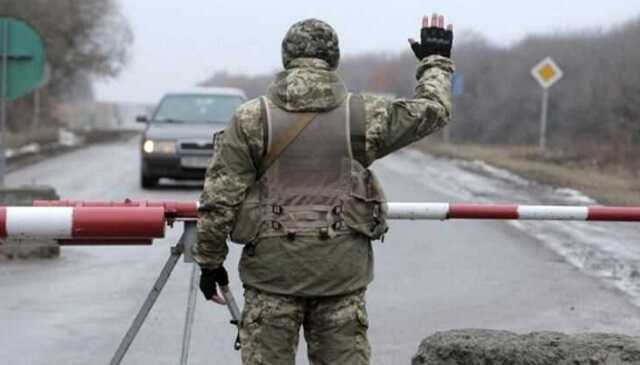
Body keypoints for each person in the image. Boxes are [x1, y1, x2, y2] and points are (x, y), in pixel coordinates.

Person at [195, 13, 455, 365]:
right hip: (340, 277)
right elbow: (433, 111)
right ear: (334, 61)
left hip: (271, 276)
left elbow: (218, 200)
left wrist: (210, 262)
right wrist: (434, 62)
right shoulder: (364, 115)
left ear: (286, 58)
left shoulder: (250, 118)